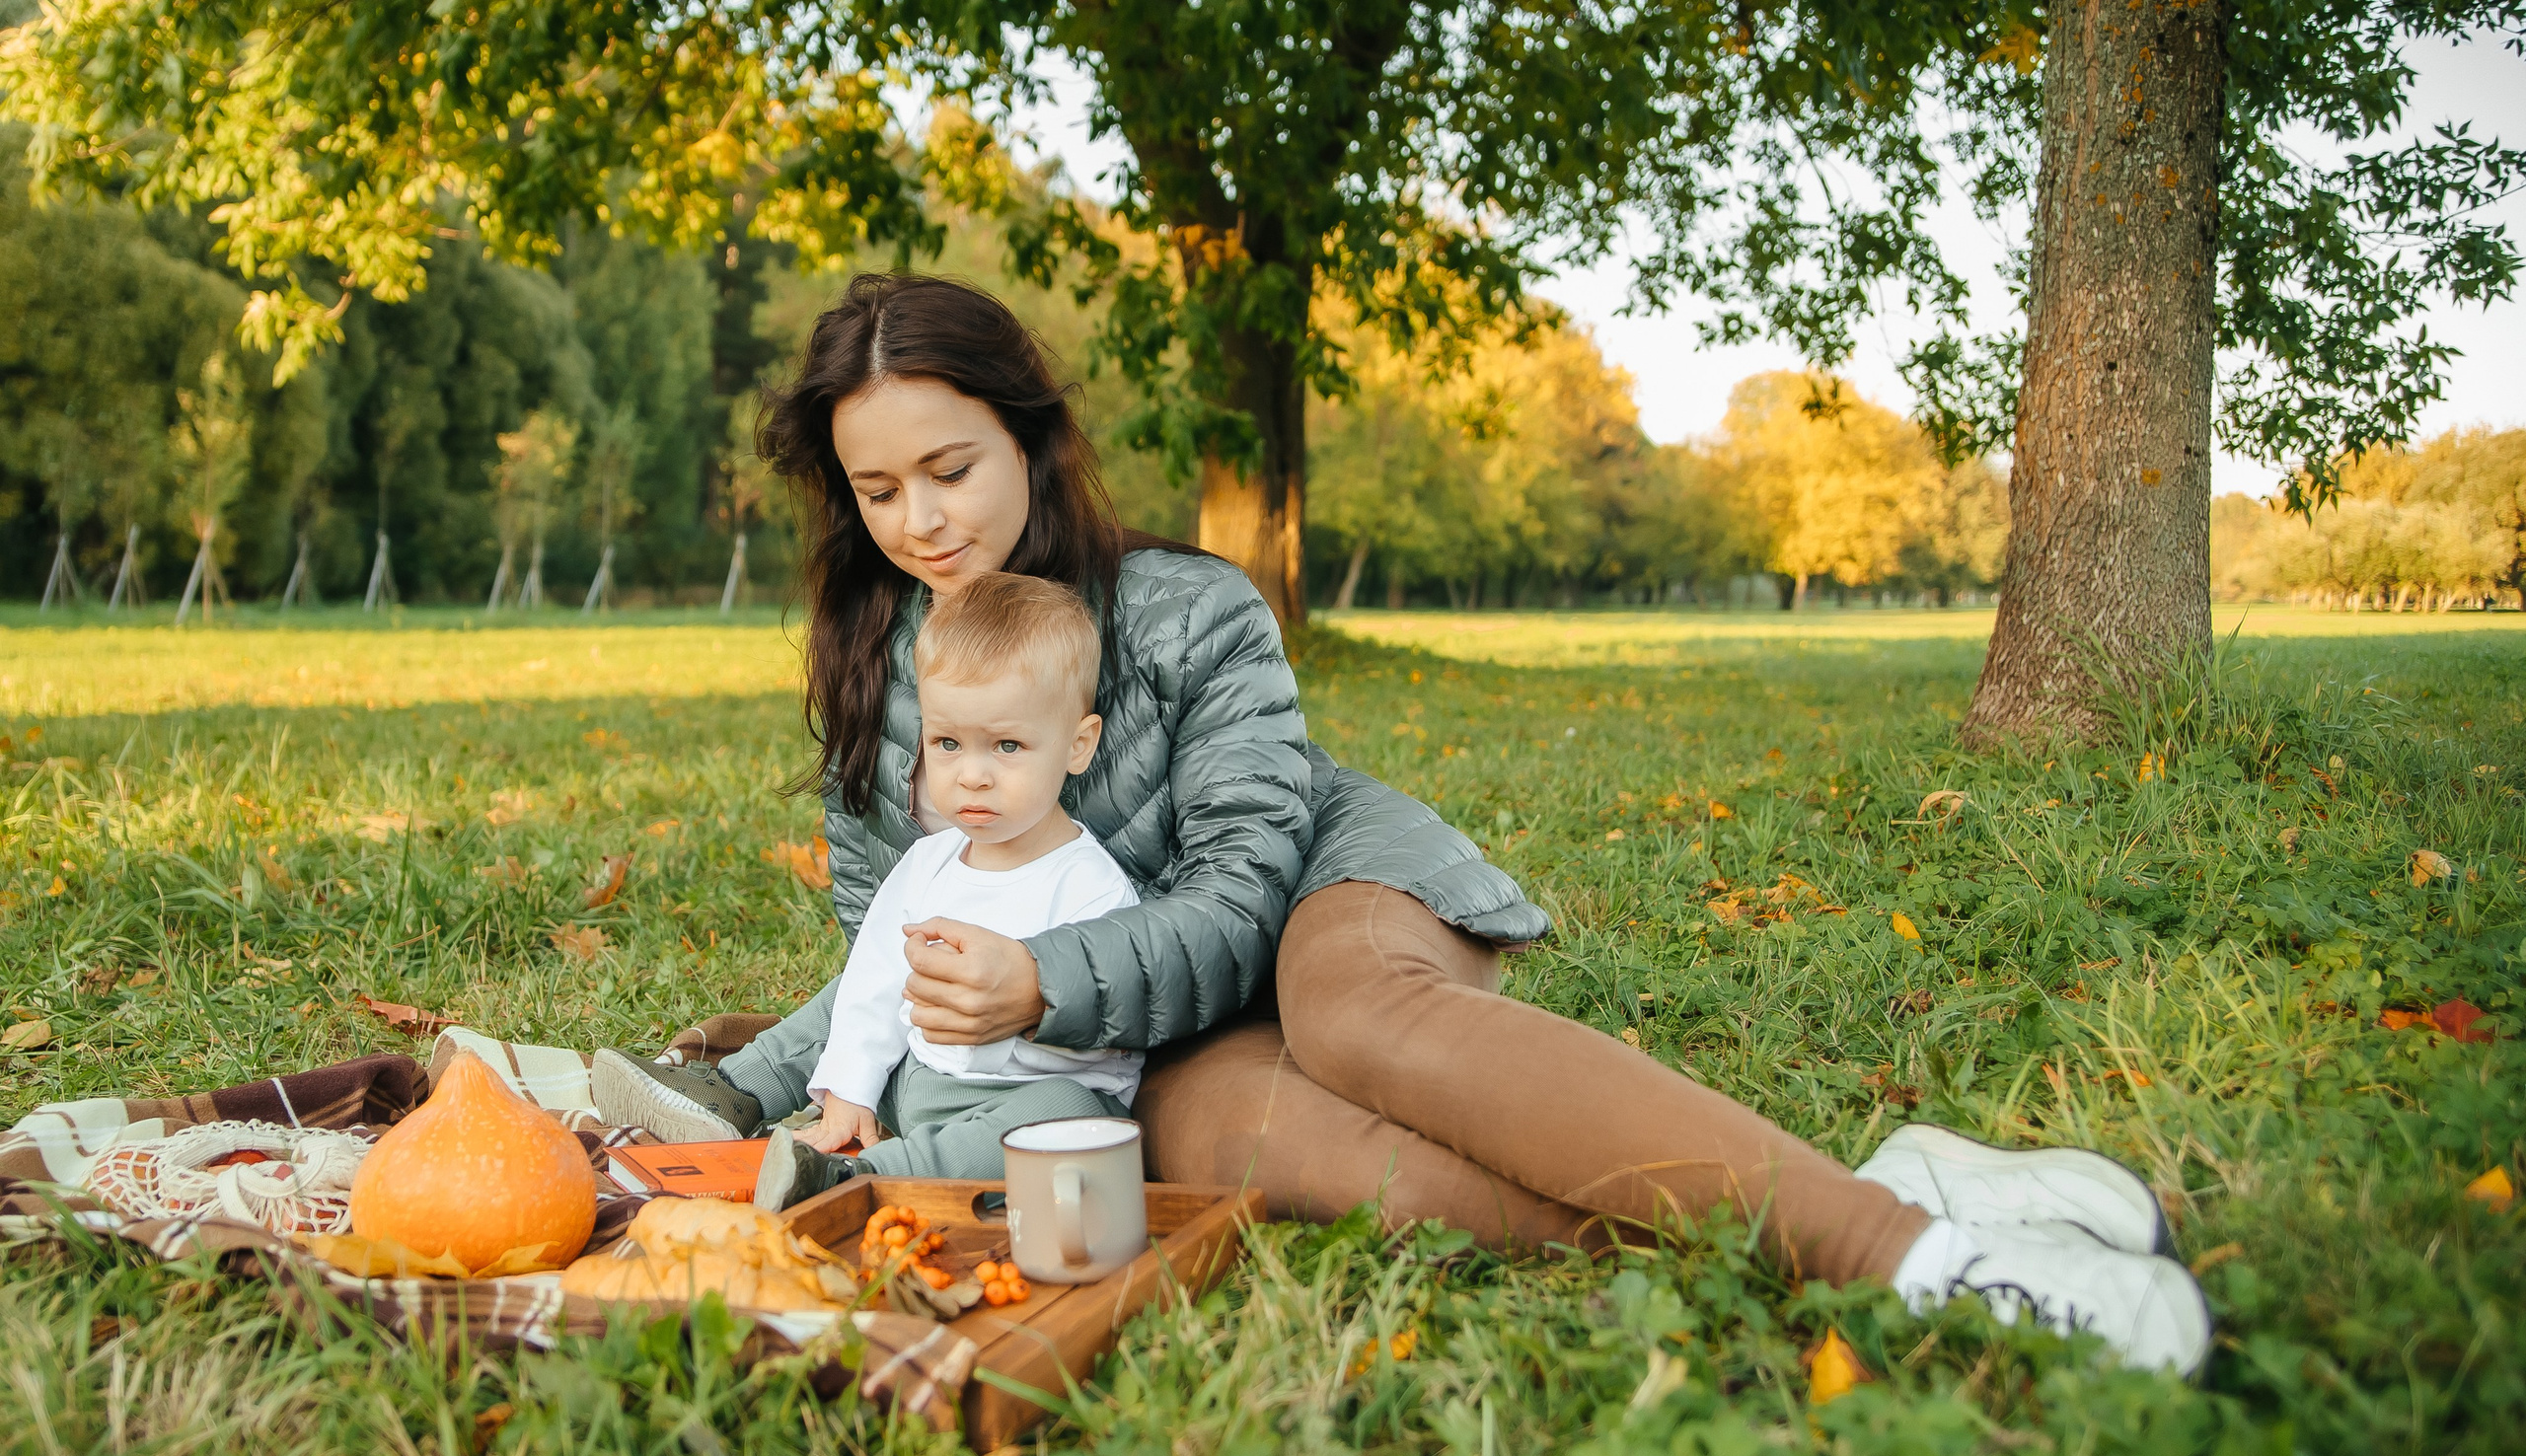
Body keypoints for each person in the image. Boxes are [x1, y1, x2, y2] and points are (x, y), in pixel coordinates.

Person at [595, 272, 2211, 1374]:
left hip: (1317, 892)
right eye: (881, 491)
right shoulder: (883, 674)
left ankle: (1910, 1262)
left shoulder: (1186, 608)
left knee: (1355, 1014)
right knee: (1235, 1144)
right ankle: (1862, 1185)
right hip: (1150, 1033)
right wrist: (747, 1089)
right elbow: (891, 939)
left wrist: (1038, 989)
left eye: (949, 466)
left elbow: (1237, 902)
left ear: (1027, 433)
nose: (924, 519)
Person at [746, 571, 1142, 1209]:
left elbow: (1110, 1017)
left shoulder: (1090, 888)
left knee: (1072, 1116)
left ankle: (865, 1179)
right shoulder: (930, 863)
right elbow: (876, 982)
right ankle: (748, 1095)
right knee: (871, 1031)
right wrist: (851, 1087)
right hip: (927, 1080)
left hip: (1026, 1098)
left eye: (1007, 745)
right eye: (948, 743)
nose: (973, 776)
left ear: (1078, 744)